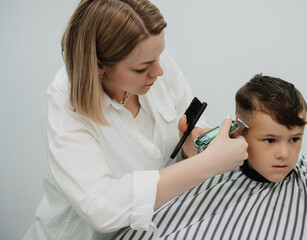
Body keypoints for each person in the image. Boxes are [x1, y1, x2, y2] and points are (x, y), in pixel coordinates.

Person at [23, 1, 249, 239]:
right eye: (142, 69)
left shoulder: (149, 59)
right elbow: (102, 208)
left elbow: (183, 123)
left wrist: (190, 143)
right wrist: (207, 165)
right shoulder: (66, 110)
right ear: (99, 65)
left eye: (160, 56)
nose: (159, 72)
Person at [114, 74, 307, 239]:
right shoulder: (208, 180)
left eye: (294, 139)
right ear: (239, 131)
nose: (285, 153)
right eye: (270, 140)